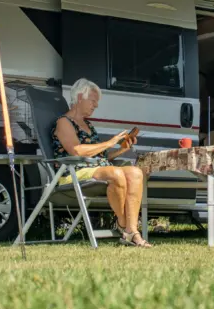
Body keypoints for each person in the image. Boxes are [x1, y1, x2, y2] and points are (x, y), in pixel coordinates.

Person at [51, 78, 151, 248]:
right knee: (116, 173)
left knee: (135, 172)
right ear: (80, 97)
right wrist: (109, 142)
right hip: (72, 173)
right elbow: (76, 151)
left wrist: (120, 149)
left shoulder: (88, 125)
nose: (96, 105)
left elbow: (101, 156)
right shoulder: (63, 122)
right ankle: (123, 224)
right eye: (93, 100)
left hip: (97, 169)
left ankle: (132, 231)